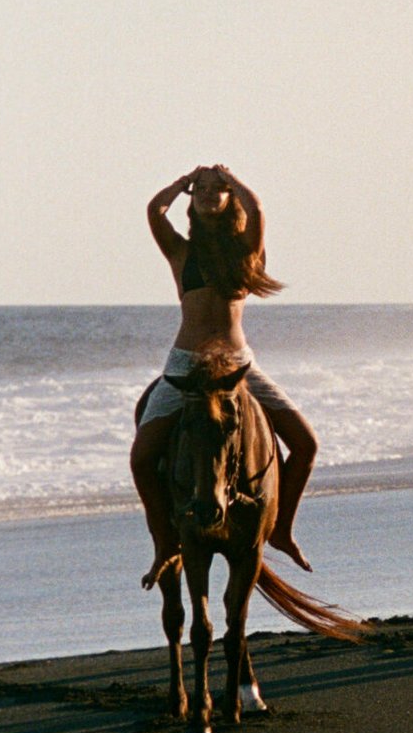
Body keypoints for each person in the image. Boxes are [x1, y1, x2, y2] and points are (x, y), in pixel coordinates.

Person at [129, 165, 318, 589]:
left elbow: (258, 210)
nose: (209, 194)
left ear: (231, 198)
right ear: (191, 200)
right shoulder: (180, 253)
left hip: (238, 367)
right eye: (202, 190)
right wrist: (181, 184)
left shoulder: (247, 250)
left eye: (219, 190)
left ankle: (282, 530)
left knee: (306, 443)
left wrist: (234, 183)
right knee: (141, 457)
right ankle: (165, 543)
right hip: (185, 367)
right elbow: (155, 212)